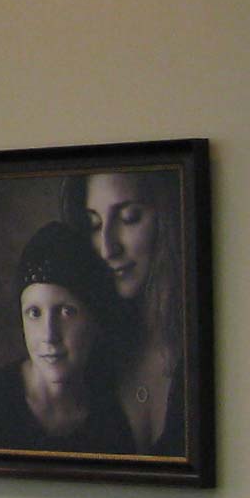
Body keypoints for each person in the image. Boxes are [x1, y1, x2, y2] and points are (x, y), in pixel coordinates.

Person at [0, 220, 133, 454]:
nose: (49, 335)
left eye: (66, 312)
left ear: (94, 318)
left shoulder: (115, 412)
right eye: (34, 313)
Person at [63, 170, 187, 454]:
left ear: (168, 220)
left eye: (129, 218)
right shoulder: (93, 349)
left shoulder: (201, 342)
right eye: (94, 224)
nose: (107, 247)